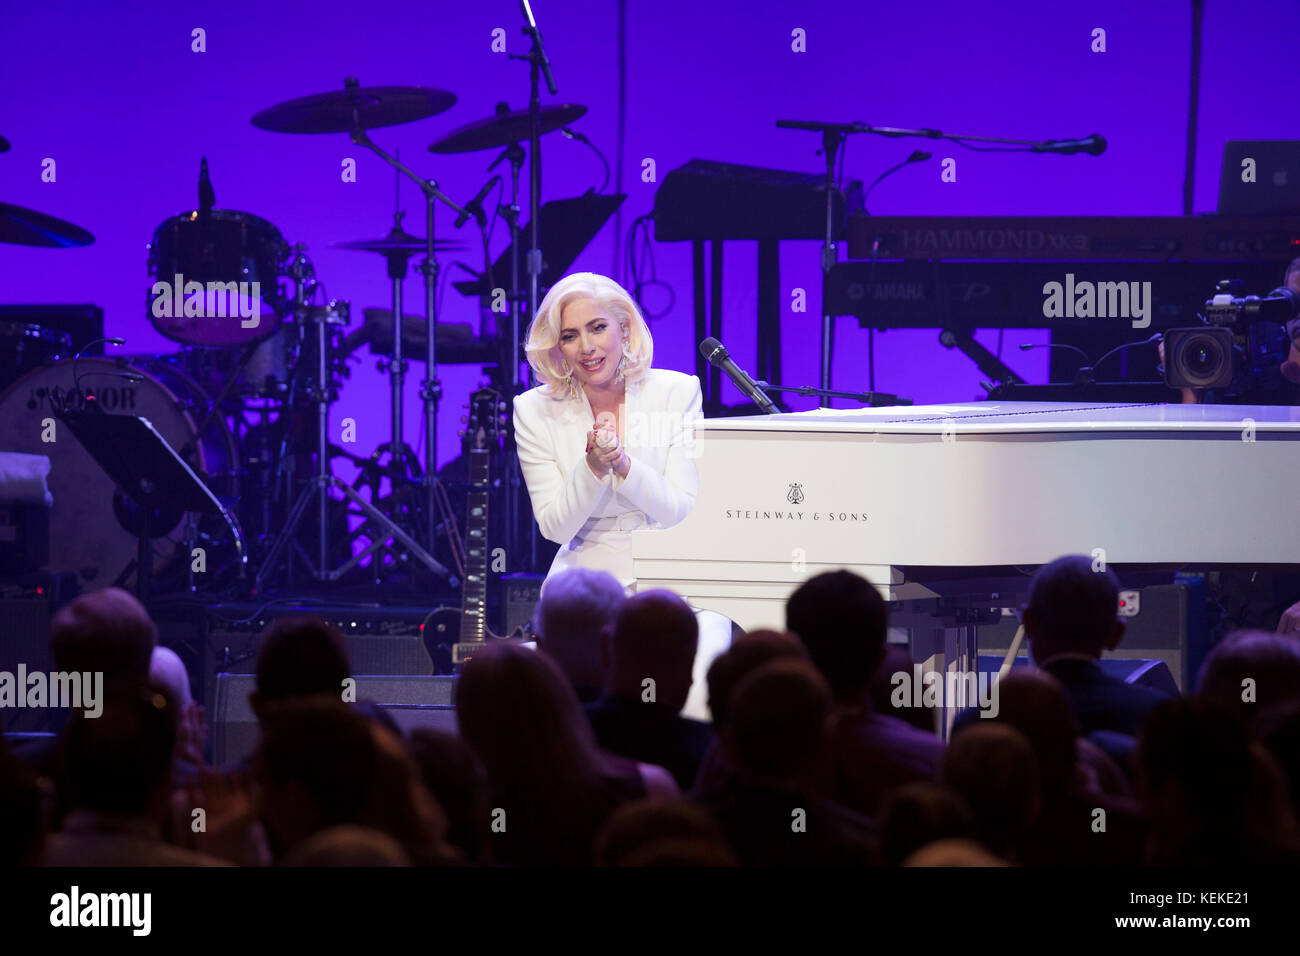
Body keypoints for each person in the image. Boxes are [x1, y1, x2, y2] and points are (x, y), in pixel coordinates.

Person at [512, 271, 732, 720]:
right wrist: (592, 466)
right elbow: (555, 526)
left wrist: (625, 466)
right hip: (585, 572)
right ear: (556, 346)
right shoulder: (533, 410)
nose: (587, 348)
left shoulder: (677, 391)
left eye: (598, 328)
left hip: (672, 565)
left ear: (625, 328)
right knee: (564, 705)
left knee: (693, 693)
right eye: (570, 336)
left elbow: (679, 509)